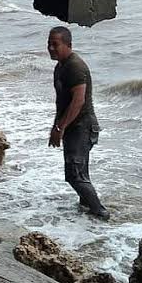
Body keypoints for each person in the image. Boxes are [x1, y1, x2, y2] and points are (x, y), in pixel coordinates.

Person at [47, 26, 110, 220]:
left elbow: (78, 100)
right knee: (79, 172)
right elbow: (62, 102)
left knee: (74, 175)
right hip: (73, 127)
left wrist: (60, 127)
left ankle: (100, 213)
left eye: (55, 44)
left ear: (68, 45)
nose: (50, 48)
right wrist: (56, 126)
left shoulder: (75, 66)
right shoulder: (60, 67)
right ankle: (86, 210)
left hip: (82, 127)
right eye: (49, 44)